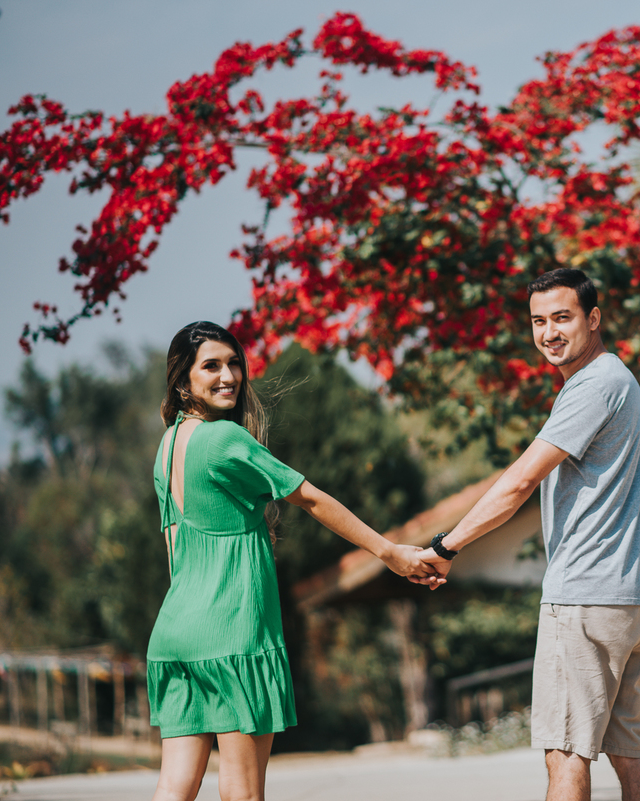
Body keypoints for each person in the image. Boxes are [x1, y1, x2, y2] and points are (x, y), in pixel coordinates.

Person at [148, 321, 440, 801]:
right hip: (232, 633)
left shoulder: (168, 445)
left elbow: (174, 548)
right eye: (211, 366)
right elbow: (311, 498)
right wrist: (390, 553)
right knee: (243, 790)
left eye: (234, 363)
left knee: (173, 786)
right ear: (183, 380)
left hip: (176, 634)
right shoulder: (224, 439)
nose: (229, 376)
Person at [417, 269, 640, 801]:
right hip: (639, 599)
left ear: (593, 319)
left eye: (562, 317)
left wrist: (445, 547)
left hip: (587, 599)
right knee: (632, 753)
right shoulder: (620, 380)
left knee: (565, 754)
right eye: (538, 321)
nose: (549, 333)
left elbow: (518, 483)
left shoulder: (593, 385)